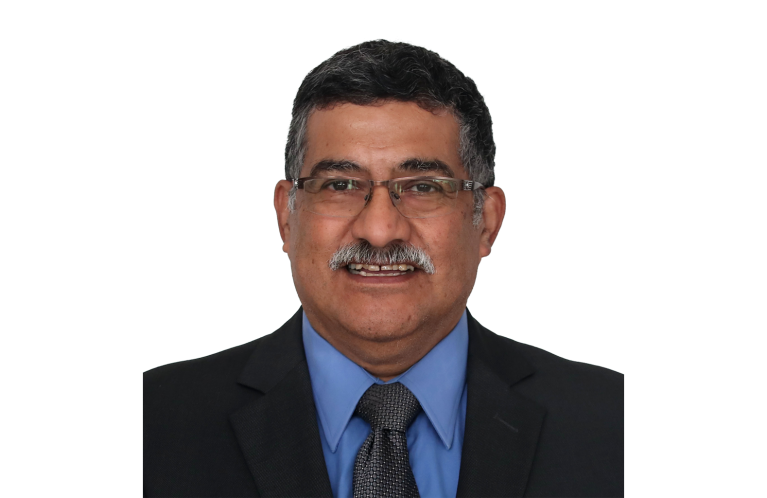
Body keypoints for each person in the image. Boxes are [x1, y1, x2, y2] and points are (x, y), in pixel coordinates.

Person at [142, 38, 625, 498]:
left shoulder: (611, 423)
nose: (378, 230)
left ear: (487, 221)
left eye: (423, 187)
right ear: (287, 216)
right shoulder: (155, 421)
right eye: (340, 185)